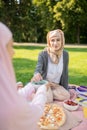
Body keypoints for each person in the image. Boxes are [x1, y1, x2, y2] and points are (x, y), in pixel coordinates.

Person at [0, 22, 51, 130]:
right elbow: (34, 112)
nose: (13, 52)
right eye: (11, 46)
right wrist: (42, 89)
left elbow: (13, 96)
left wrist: (31, 85)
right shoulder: (11, 109)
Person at [31, 29, 70, 101]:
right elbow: (38, 68)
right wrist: (37, 74)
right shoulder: (43, 54)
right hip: (45, 84)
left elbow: (65, 73)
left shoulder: (65, 54)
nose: (55, 43)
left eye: (58, 40)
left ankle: (42, 95)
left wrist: (66, 88)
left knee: (67, 96)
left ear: (62, 41)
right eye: (52, 40)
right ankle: (43, 94)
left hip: (56, 85)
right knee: (49, 99)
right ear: (49, 42)